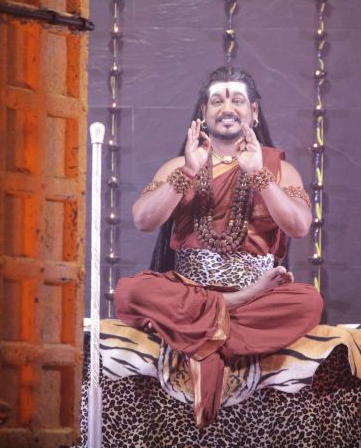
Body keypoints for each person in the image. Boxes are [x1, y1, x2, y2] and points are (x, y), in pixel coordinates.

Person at [114, 66, 324, 428]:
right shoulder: (179, 166)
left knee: (308, 301)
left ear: (253, 111)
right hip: (190, 288)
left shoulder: (278, 169)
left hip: (255, 298)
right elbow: (144, 220)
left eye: (237, 100)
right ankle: (226, 313)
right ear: (203, 112)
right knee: (131, 292)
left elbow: (299, 226)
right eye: (217, 101)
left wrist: (259, 174)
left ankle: (200, 332)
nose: (227, 108)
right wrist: (187, 173)